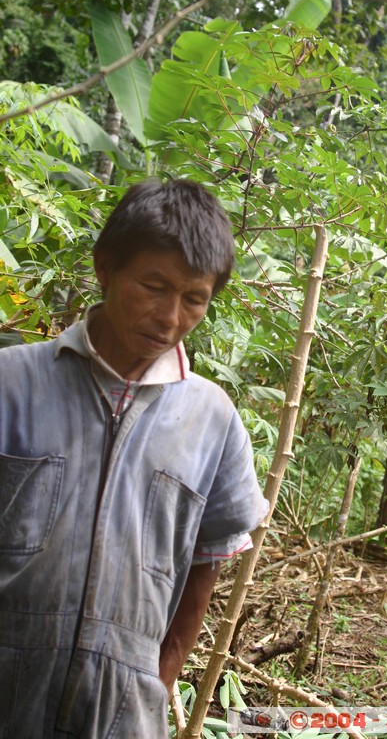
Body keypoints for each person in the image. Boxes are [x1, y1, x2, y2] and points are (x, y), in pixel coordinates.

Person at [0, 179, 268, 738]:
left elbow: (204, 568)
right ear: (106, 268)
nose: (170, 316)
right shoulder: (11, 384)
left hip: (123, 712)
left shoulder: (211, 420)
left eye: (194, 298)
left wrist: (159, 676)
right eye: (153, 286)